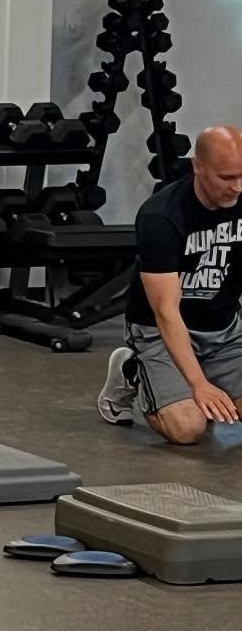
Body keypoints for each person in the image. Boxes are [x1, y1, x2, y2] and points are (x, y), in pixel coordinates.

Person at [97, 124, 242, 443]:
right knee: (188, 428)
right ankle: (132, 370)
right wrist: (198, 383)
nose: (237, 187)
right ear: (198, 168)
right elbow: (165, 310)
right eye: (227, 178)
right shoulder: (161, 217)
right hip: (158, 331)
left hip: (223, 331)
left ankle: (201, 379)